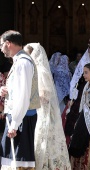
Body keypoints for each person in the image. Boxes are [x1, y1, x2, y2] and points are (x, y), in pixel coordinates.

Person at [24, 43, 71, 170]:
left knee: (43, 137)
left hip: (42, 110)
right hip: (35, 109)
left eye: (27, 54)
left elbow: (45, 94)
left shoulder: (41, 71)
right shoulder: (32, 69)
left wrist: (28, 96)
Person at [0, 30, 40, 170]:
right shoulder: (19, 61)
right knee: (11, 159)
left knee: (20, 162)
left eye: (1, 45)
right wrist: (6, 90)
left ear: (8, 43)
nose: (1, 48)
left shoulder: (23, 63)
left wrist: (14, 125)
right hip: (18, 117)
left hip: (22, 119)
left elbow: (23, 96)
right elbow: (18, 90)